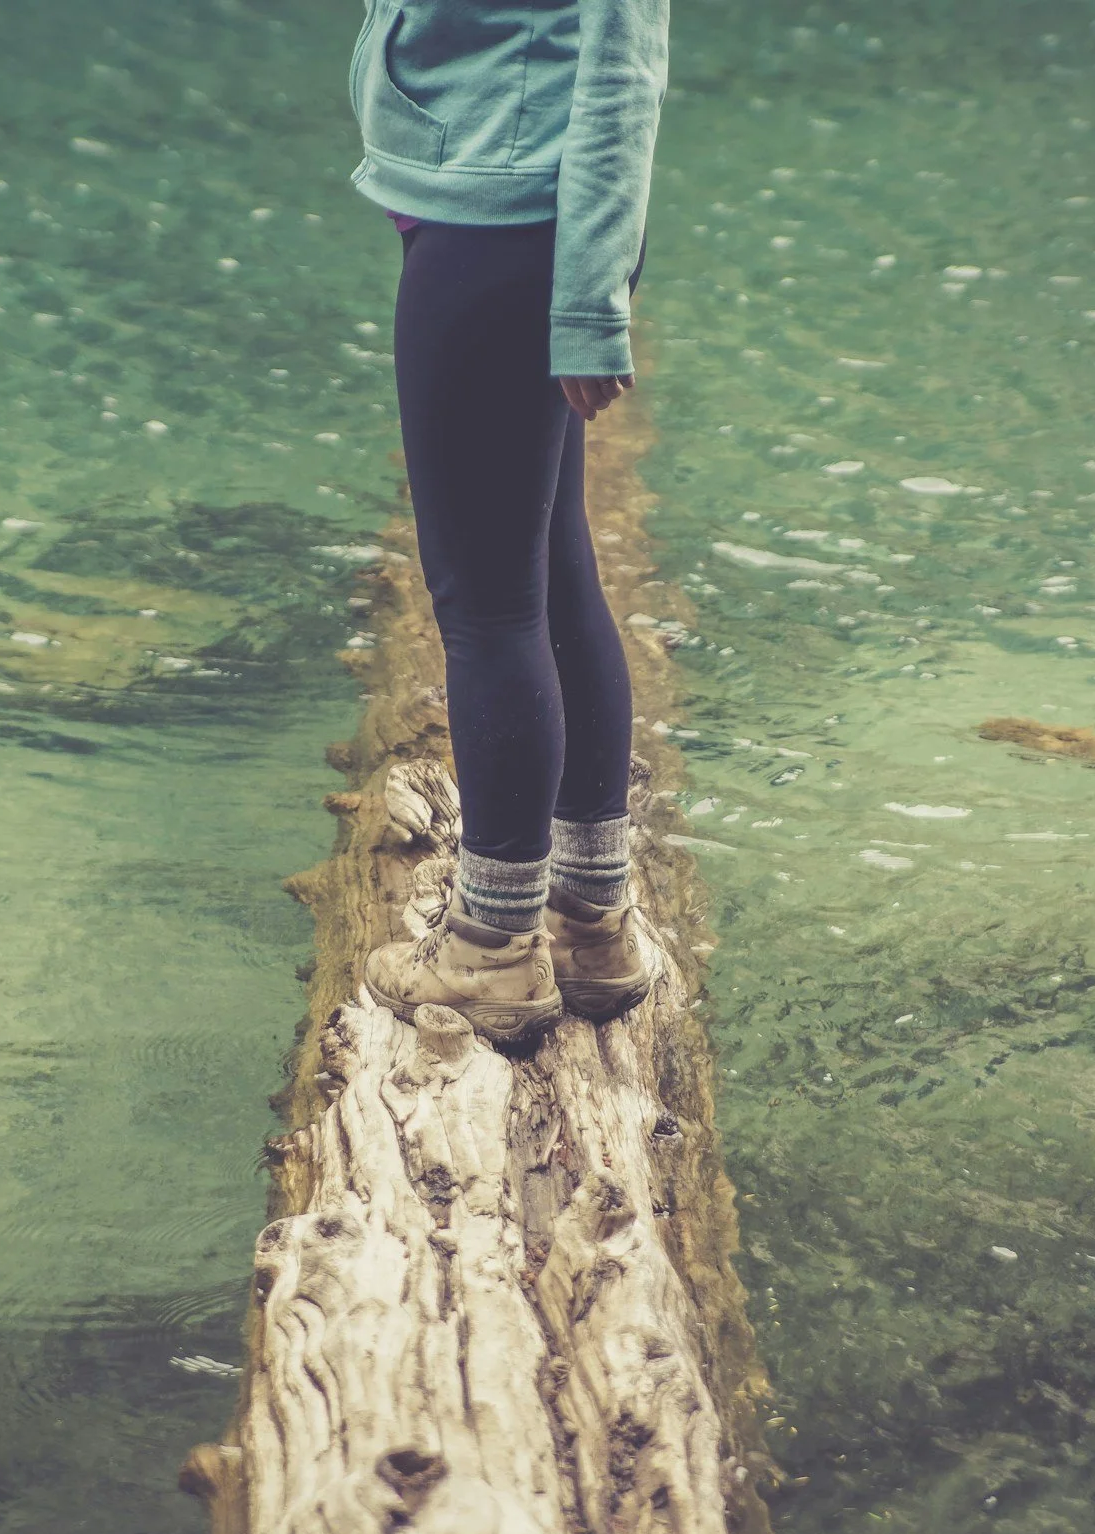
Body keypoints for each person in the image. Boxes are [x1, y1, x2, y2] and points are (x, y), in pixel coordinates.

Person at [347, 0, 670, 1044]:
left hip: (506, 229)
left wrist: (586, 303)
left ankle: (491, 945)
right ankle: (590, 921)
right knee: (552, 566)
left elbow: (625, 69)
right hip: (490, 208)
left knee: (484, 604)